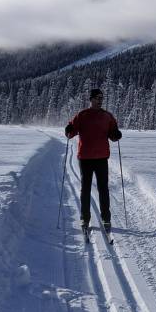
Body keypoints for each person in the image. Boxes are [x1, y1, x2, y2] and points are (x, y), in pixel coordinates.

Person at [65, 88, 122, 234]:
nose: (100, 100)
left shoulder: (107, 116)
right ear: (91, 99)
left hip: (102, 157)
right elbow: (70, 134)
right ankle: (85, 218)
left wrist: (116, 134)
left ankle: (106, 219)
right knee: (86, 188)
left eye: (102, 97)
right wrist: (68, 129)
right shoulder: (82, 115)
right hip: (85, 158)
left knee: (103, 189)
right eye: (97, 97)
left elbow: (113, 136)